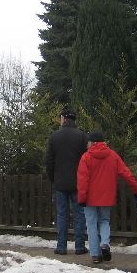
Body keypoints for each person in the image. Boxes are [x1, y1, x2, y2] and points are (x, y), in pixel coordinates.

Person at [77, 131, 137, 263]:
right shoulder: (112, 155)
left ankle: (95, 255)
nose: (87, 144)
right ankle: (104, 243)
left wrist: (81, 198)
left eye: (88, 142)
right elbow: (126, 173)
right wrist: (136, 189)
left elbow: (82, 180)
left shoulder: (86, 157)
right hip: (106, 197)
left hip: (89, 198)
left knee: (91, 224)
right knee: (104, 221)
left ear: (93, 142)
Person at [45, 107, 89, 255]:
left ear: (63, 118)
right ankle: (79, 246)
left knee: (62, 214)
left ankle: (61, 246)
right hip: (78, 182)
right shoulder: (82, 136)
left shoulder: (54, 137)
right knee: (79, 214)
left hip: (60, 182)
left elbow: (49, 161)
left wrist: (53, 178)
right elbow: (87, 160)